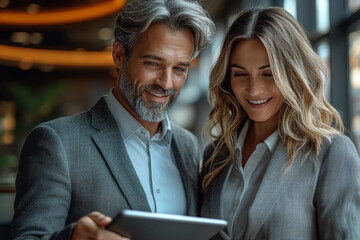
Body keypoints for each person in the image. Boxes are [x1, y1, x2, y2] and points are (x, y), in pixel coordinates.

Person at [9, 0, 215, 239]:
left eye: (179, 69)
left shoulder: (188, 146)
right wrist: (73, 237)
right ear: (119, 55)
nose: (166, 83)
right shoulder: (58, 142)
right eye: (152, 63)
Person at [200, 7, 360, 240]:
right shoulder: (215, 156)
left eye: (268, 74)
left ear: (293, 74)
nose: (253, 90)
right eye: (240, 74)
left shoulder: (331, 153)